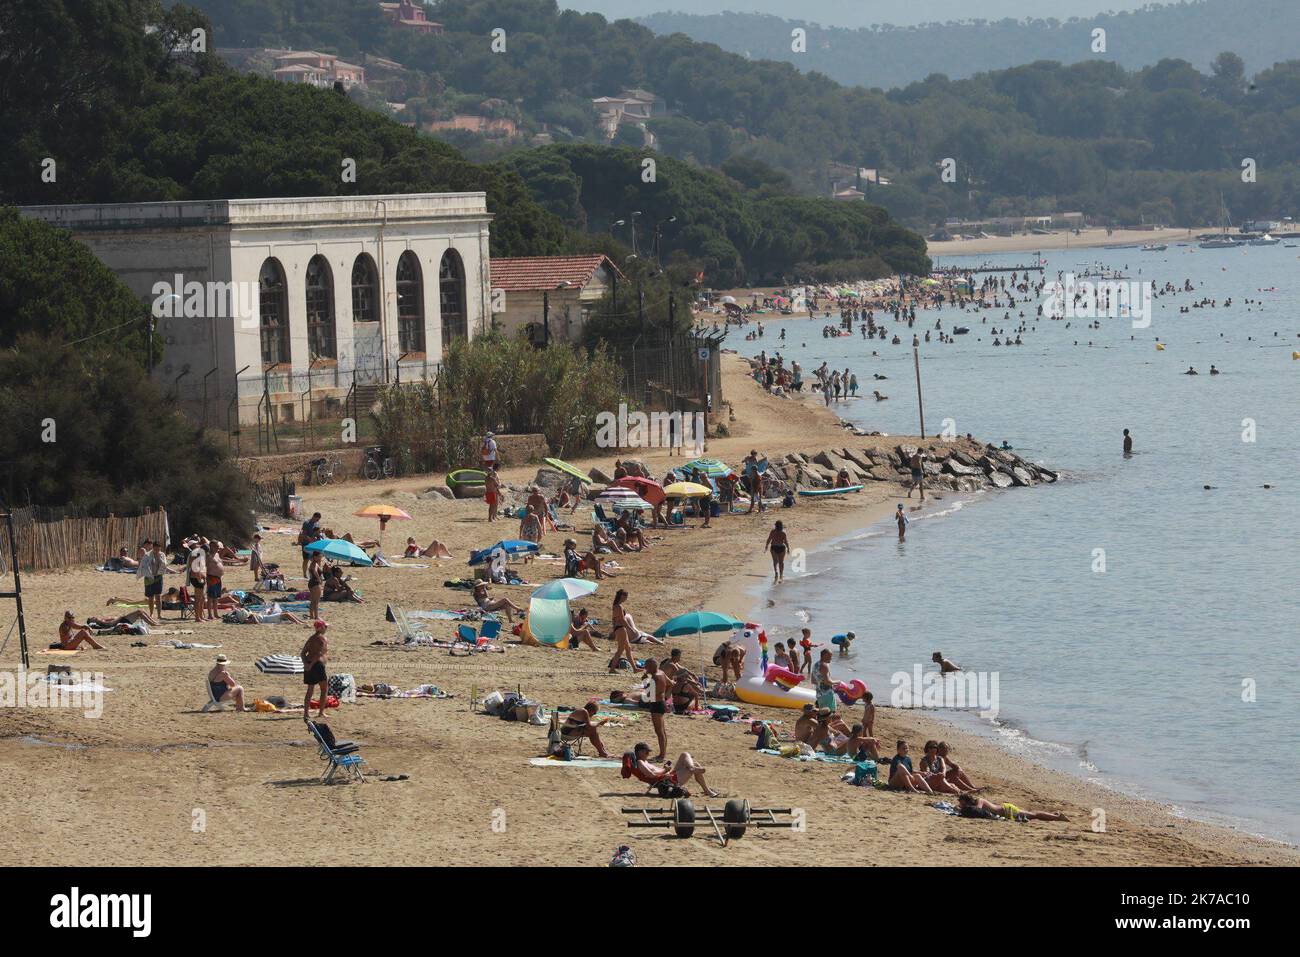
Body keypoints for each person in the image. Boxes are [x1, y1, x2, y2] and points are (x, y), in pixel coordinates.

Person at [630, 742, 719, 798]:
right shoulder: (640, 763)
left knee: (684, 755)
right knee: (693, 767)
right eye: (646, 752)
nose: (648, 754)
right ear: (639, 752)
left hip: (668, 775)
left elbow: (654, 772)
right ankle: (707, 790)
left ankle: (692, 768)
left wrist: (665, 769)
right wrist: (664, 771)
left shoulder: (644, 761)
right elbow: (651, 775)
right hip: (668, 780)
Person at [957, 792, 1068, 822]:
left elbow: (978, 810)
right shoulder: (971, 805)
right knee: (1032, 814)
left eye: (961, 802)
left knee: (1034, 815)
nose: (961, 805)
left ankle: (1058, 817)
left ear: (966, 801)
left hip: (1007, 810)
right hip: (1004, 811)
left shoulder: (979, 801)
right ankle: (1055, 815)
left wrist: (961, 809)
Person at [301, 620, 329, 721]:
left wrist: (306, 664)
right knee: (324, 689)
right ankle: (321, 712)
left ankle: (306, 714)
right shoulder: (323, 638)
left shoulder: (311, 638)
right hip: (317, 665)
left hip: (309, 664)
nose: (326, 628)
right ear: (320, 628)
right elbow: (319, 653)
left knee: (310, 690)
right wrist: (312, 664)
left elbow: (303, 653)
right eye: (325, 627)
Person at [644, 659, 670, 760]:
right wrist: (664, 694)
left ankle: (662, 755)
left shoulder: (654, 677)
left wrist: (646, 680)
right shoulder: (662, 673)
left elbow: (649, 694)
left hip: (656, 704)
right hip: (661, 702)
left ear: (651, 667)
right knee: (662, 731)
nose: (645, 668)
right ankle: (663, 753)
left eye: (647, 666)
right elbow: (670, 683)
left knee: (659, 731)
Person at [662, 648, 702, 712]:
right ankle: (699, 690)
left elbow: (683, 669)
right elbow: (681, 677)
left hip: (668, 686)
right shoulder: (672, 665)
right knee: (693, 693)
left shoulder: (671, 662)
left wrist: (693, 674)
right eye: (679, 656)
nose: (680, 658)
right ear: (676, 656)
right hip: (666, 688)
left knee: (685, 674)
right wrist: (694, 683)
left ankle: (699, 690)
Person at [136, 540, 167, 618]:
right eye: (156, 549)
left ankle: (159, 614)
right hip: (149, 577)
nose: (157, 551)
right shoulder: (147, 555)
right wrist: (149, 576)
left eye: (159, 549)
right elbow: (144, 566)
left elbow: (164, 565)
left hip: (158, 577)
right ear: (153, 548)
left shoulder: (162, 555)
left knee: (158, 596)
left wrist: (160, 560)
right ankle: (151, 613)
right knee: (150, 597)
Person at [187, 539, 209, 621]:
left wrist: (204, 577)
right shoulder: (195, 555)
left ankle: (201, 616)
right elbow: (195, 569)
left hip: (201, 578)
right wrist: (200, 579)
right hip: (196, 578)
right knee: (198, 599)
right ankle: (197, 617)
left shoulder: (201, 555)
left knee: (202, 598)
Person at [299, 512, 323, 577]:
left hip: (315, 545)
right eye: (317, 519)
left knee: (318, 559)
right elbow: (303, 534)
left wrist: (319, 537)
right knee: (306, 560)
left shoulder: (317, 523)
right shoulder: (306, 523)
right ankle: (304, 574)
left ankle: (318, 573)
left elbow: (318, 532)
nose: (317, 521)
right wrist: (310, 540)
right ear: (314, 516)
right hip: (306, 544)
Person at [307, 551, 325, 622]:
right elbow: (314, 571)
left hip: (312, 582)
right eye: (319, 556)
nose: (320, 557)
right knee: (316, 601)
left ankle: (312, 616)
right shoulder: (314, 563)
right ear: (315, 557)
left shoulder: (314, 563)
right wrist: (319, 579)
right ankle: (316, 616)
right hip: (315, 583)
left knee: (313, 601)